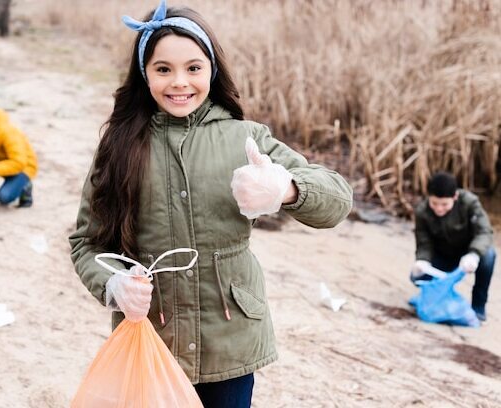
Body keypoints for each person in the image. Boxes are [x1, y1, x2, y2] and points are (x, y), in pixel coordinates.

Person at [69, 1, 353, 406]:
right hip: (152, 342)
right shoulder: (119, 148)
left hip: (232, 344)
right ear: (144, 74)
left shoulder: (246, 138)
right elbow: (87, 243)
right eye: (163, 69)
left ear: (212, 69)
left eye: (193, 68)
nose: (179, 82)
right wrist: (112, 285)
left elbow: (338, 199)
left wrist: (286, 188)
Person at [411, 171, 495, 322]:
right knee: (417, 275)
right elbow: (424, 242)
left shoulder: (469, 203)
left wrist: (474, 254)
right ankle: (434, 299)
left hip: (467, 254)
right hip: (443, 256)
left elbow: (484, 232)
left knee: (489, 255)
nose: (439, 209)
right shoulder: (422, 212)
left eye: (444, 204)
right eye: (434, 203)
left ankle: (478, 306)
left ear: (455, 197)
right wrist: (422, 260)